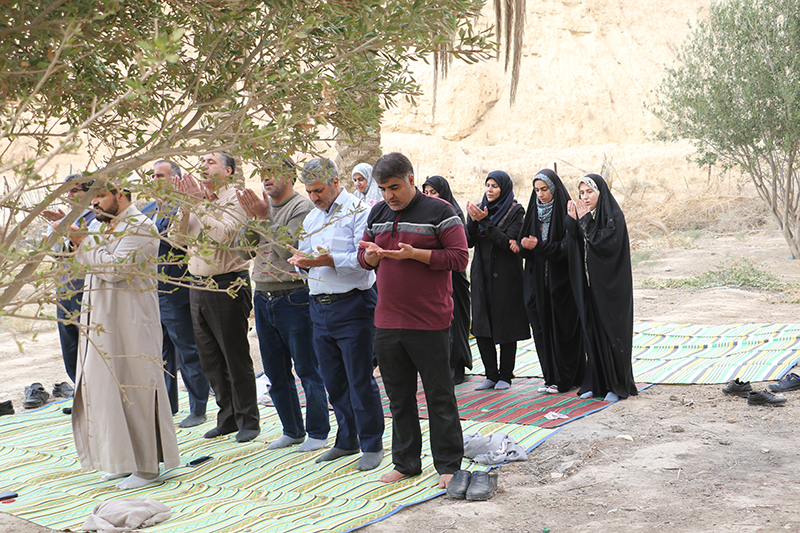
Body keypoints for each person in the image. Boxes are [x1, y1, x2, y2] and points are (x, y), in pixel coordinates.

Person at [358, 152, 468, 489]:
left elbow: (460, 258)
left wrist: (415, 254)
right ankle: (406, 462)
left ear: (411, 179)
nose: (389, 195)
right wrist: (370, 257)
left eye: (394, 187)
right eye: (383, 189)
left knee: (439, 396)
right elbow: (363, 257)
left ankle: (448, 465)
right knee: (399, 397)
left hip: (429, 321)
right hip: (388, 321)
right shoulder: (377, 213)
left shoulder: (441, 212)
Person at [66, 185, 180, 490]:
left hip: (131, 322)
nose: (94, 203)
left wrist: (85, 241)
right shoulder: (100, 227)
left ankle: (146, 468)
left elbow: (115, 269)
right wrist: (75, 239)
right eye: (92, 198)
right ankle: (120, 461)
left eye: (100, 196)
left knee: (136, 391)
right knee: (104, 394)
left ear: (120, 194)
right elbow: (85, 266)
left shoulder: (141, 226)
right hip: (101, 322)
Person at [287, 158, 385, 471]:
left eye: (318, 190)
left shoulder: (359, 210)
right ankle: (347, 439)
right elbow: (306, 256)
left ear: (335, 182)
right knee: (334, 380)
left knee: (359, 378)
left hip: (353, 304)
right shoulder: (313, 219)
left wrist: (326, 262)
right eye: (309, 191)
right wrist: (302, 264)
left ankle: (372, 444)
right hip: (319, 306)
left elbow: (364, 257)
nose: (314, 197)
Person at [236, 160, 330, 452]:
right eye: (262, 174)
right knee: (274, 371)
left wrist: (264, 218)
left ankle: (318, 431)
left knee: (307, 368)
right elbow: (242, 250)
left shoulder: (301, 208)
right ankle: (292, 430)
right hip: (263, 296)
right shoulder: (262, 208)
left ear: (289, 176)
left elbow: (287, 250)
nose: (266, 179)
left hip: (294, 297)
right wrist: (254, 219)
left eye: (272, 173)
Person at [176, 151, 259, 442]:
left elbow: (228, 237)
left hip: (227, 283)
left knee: (234, 356)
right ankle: (227, 418)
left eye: (211, 162)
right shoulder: (194, 201)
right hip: (197, 285)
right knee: (209, 358)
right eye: (202, 162)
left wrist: (201, 207)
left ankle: (248, 420)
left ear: (228, 171)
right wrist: (187, 207)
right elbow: (177, 240)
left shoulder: (235, 199)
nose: (203, 166)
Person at [142, 160, 211, 428]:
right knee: (160, 353)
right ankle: (168, 407)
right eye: (153, 176)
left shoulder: (184, 208)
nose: (155, 180)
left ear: (177, 180)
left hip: (177, 288)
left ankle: (199, 408)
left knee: (188, 351)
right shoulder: (147, 210)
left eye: (161, 175)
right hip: (151, 291)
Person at [511, 169, 585, 394]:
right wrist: (520, 247)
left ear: (553, 189)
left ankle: (568, 378)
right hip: (536, 285)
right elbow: (526, 249)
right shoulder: (534, 212)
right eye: (536, 190)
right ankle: (551, 378)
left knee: (563, 331)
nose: (540, 195)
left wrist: (538, 247)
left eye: (544, 189)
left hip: (561, 285)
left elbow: (566, 249)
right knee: (542, 331)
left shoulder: (567, 212)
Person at [565, 174, 637, 402]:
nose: (585, 197)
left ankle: (616, 386)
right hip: (591, 286)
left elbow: (604, 243)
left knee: (611, 334)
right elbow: (575, 238)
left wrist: (584, 219)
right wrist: (573, 219)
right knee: (592, 332)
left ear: (600, 193)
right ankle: (596, 383)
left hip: (612, 289)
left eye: (589, 192)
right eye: (582, 193)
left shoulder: (613, 216)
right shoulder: (589, 214)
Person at [465, 171, 530, 391]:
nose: (490, 190)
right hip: (481, 272)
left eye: (494, 186)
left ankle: (506, 375)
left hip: (505, 275)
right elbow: (468, 241)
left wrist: (485, 222)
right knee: (482, 324)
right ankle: (490, 374)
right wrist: (474, 222)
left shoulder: (515, 211)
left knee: (505, 323)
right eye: (487, 185)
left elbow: (507, 242)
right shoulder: (479, 208)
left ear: (504, 188)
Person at [42, 173, 97, 386]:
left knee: (90, 346)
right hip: (64, 289)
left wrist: (65, 226)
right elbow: (54, 251)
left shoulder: (96, 217)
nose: (70, 194)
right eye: (68, 190)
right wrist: (61, 225)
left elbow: (88, 253)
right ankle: (80, 394)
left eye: (75, 190)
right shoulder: (64, 217)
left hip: (87, 291)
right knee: (70, 347)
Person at [422, 176, 472, 385]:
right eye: (426, 193)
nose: (430, 197)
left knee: (456, 321)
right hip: (434, 276)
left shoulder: (452, 213)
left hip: (454, 276)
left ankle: (457, 366)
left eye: (434, 192)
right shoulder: (424, 214)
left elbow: (461, 246)